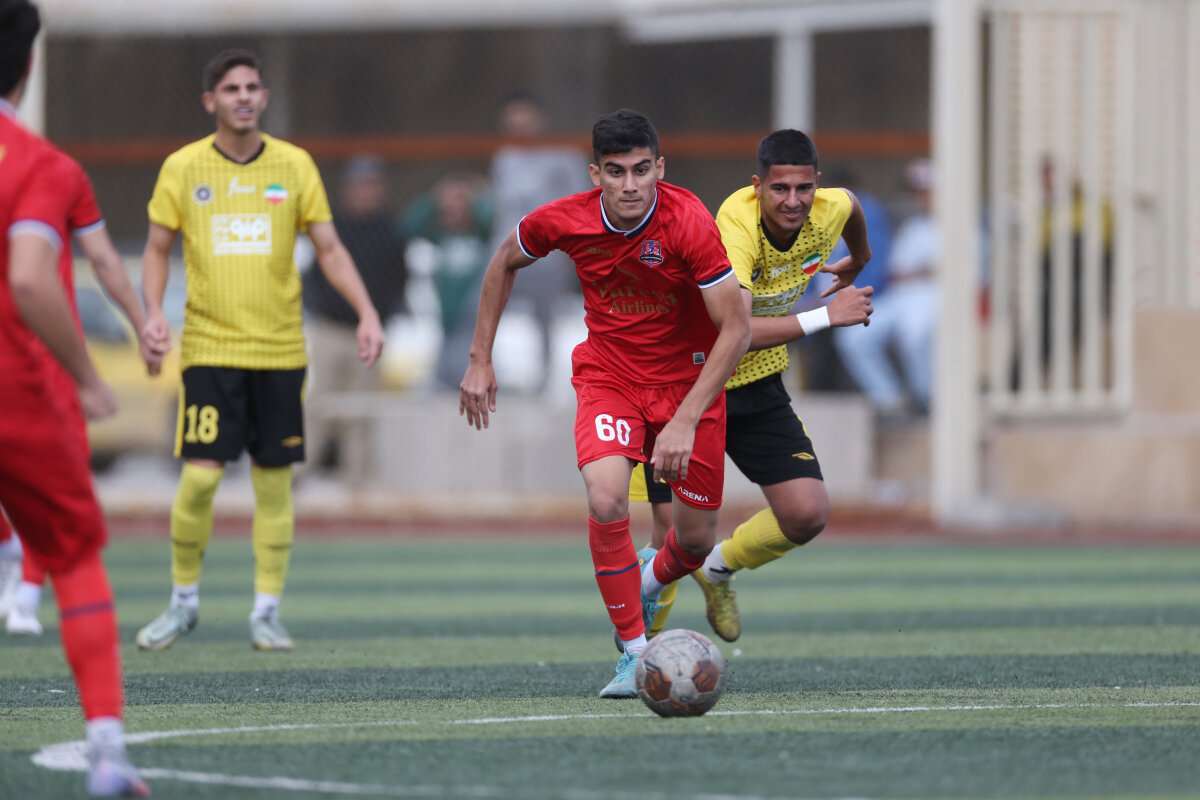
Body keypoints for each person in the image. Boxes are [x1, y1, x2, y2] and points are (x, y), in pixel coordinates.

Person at [460, 109, 752, 698]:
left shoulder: (688, 221)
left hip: (687, 385)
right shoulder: (564, 218)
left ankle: (644, 580)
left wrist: (685, 420)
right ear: (596, 175)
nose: (630, 185)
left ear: (659, 168)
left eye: (641, 170)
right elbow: (504, 260)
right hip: (609, 377)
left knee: (695, 542)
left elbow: (737, 328)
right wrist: (480, 358)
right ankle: (636, 655)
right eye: (616, 172)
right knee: (606, 497)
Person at [136, 48, 385, 653]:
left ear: (264, 98)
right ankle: (183, 602)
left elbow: (329, 249)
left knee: (274, 487)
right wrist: (151, 315)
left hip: (279, 353)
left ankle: (266, 612)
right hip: (210, 350)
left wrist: (366, 311)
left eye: (252, 87)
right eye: (231, 89)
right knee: (199, 482)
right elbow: (156, 249)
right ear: (211, 101)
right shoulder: (183, 167)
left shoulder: (293, 165)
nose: (243, 96)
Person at [631, 129, 875, 645]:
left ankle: (718, 569)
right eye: (779, 188)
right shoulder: (734, 225)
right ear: (757, 186)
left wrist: (860, 257)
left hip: (758, 383)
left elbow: (851, 206)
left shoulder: (829, 206)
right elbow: (735, 332)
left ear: (817, 184)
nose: (793, 201)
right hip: (690, 383)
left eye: (804, 188)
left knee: (807, 514)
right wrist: (826, 316)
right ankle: (638, 654)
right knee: (673, 533)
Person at [0, 1, 150, 794]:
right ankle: (107, 754)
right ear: (27, 67)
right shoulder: (42, 165)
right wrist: (91, 375)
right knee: (76, 558)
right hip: (20, 389)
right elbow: (31, 278)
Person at [2, 148, 159, 638]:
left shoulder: (53, 170)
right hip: (24, 355)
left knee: (59, 487)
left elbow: (103, 258)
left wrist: (142, 322)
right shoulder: (48, 167)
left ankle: (25, 596)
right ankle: (10, 555)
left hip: (47, 356)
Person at [301, 154, 406, 482]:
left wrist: (382, 314)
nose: (368, 192)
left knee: (362, 407)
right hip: (331, 327)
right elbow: (314, 275)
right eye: (363, 185)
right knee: (320, 402)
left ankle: (357, 478)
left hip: (368, 334)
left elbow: (399, 279)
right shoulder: (334, 227)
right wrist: (321, 307)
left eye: (374, 185)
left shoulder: (390, 232)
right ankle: (300, 470)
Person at [488, 90, 590, 393]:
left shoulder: (563, 155)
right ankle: (486, 372)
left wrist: (569, 251)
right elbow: (500, 208)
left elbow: (580, 202)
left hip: (546, 254)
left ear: (539, 119)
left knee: (545, 318)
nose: (519, 128)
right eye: (512, 122)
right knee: (485, 308)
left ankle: (545, 379)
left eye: (525, 120)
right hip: (506, 251)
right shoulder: (504, 157)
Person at [835, 157, 938, 416]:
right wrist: (921, 271)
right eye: (916, 192)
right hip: (901, 297)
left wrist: (921, 272)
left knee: (913, 337)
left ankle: (926, 402)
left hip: (936, 297)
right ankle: (891, 401)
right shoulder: (913, 227)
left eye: (925, 191)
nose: (919, 198)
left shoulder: (961, 226)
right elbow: (895, 273)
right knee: (853, 337)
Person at [401, 171, 493, 390]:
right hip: (447, 313)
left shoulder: (480, 233)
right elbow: (409, 226)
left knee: (468, 360)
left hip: (475, 315)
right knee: (446, 362)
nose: (456, 209)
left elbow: (494, 220)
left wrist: (477, 197)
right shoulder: (441, 234)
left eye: (461, 203)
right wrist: (435, 199)